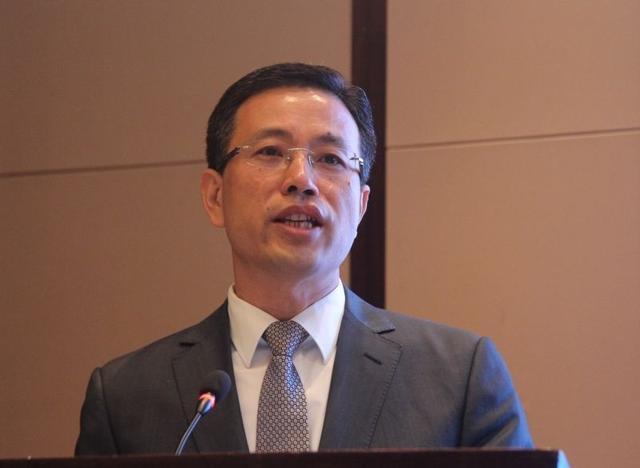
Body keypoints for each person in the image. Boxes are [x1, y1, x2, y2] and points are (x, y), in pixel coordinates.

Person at [75, 63, 533, 455]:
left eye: (330, 158)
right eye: (271, 152)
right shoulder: (125, 396)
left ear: (361, 206)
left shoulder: (458, 376)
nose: (301, 180)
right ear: (215, 196)